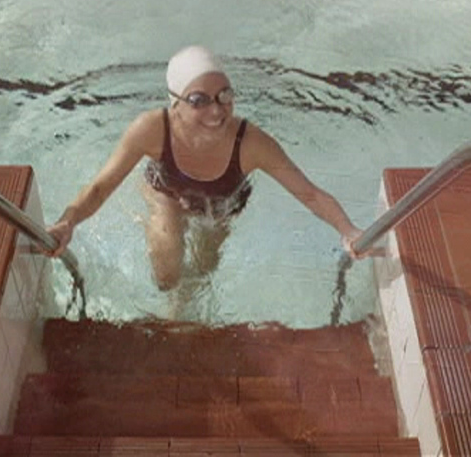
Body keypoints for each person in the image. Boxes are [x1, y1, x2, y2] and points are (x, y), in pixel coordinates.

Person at [45, 45, 369, 294]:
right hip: (167, 194)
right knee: (167, 275)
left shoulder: (250, 143)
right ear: (175, 103)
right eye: (199, 100)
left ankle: (181, 310)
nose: (217, 111)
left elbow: (309, 194)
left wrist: (348, 230)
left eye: (224, 95)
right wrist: (66, 222)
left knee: (203, 271)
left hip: (221, 206)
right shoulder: (152, 129)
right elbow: (100, 187)